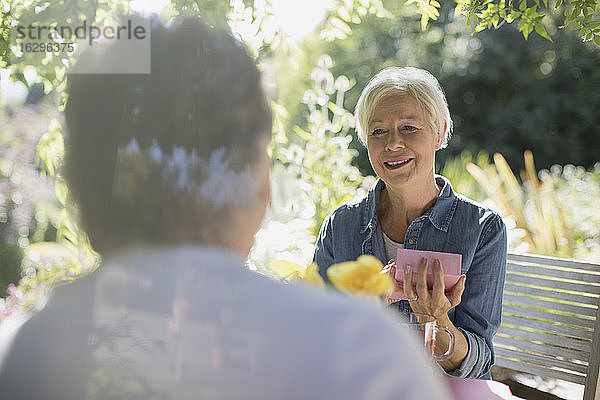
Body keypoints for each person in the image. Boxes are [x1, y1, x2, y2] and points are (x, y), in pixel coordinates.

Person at [0, 17, 450, 399]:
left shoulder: (24, 353)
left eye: (409, 128)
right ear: (258, 185)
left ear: (78, 186)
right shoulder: (366, 358)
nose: (394, 142)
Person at [313, 67, 507, 380]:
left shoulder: (483, 229)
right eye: (378, 131)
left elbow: (478, 362)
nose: (392, 143)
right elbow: (316, 331)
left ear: (440, 132)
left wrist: (437, 321)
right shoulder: (340, 225)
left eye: (409, 127)